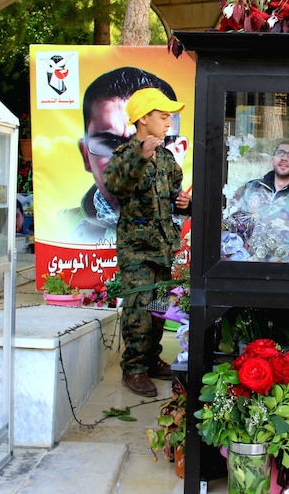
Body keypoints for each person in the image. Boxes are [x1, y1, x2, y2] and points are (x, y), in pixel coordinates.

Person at [103, 87, 192, 397]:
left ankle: (152, 359)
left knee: (156, 309)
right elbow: (115, 186)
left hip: (163, 248)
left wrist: (184, 203)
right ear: (143, 119)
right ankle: (135, 368)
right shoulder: (125, 155)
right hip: (137, 249)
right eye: (163, 116)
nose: (169, 123)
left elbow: (174, 196)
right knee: (139, 310)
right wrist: (141, 157)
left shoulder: (167, 159)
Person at [62, 67, 180, 245]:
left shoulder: (199, 230)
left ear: (177, 151)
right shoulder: (62, 228)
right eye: (108, 143)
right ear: (86, 155)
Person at [222, 140, 289, 263]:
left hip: (287, 273)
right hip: (246, 268)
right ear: (272, 159)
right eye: (280, 153)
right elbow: (228, 223)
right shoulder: (250, 188)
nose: (284, 158)